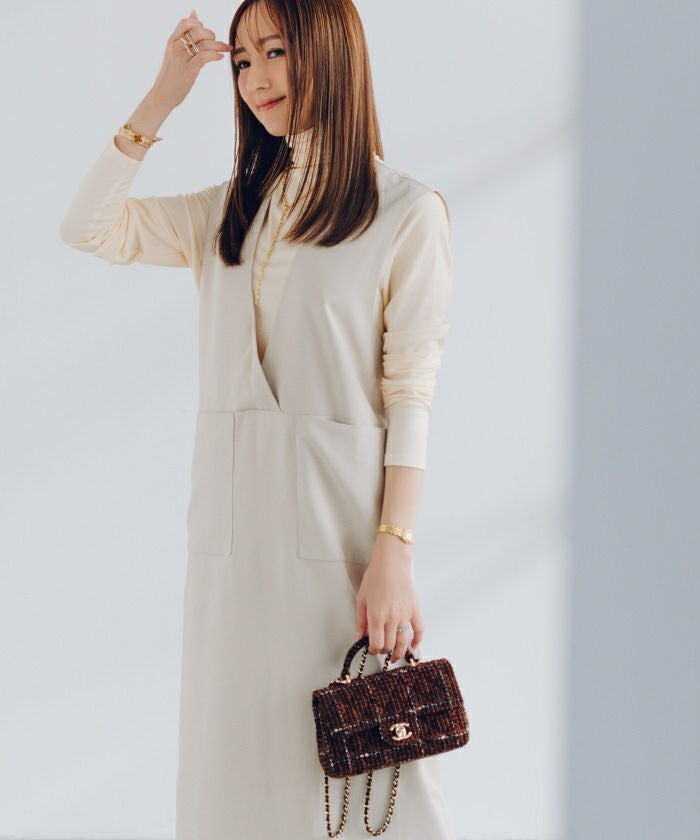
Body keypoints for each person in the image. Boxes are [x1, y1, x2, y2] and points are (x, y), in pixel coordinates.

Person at [59, 1, 455, 837]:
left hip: (337, 551)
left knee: (355, 790)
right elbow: (87, 226)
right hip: (230, 556)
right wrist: (164, 95)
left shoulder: (405, 213)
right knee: (232, 787)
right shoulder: (227, 214)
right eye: (242, 61)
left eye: (275, 51)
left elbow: (410, 396)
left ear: (330, 52)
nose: (256, 78)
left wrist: (395, 549)